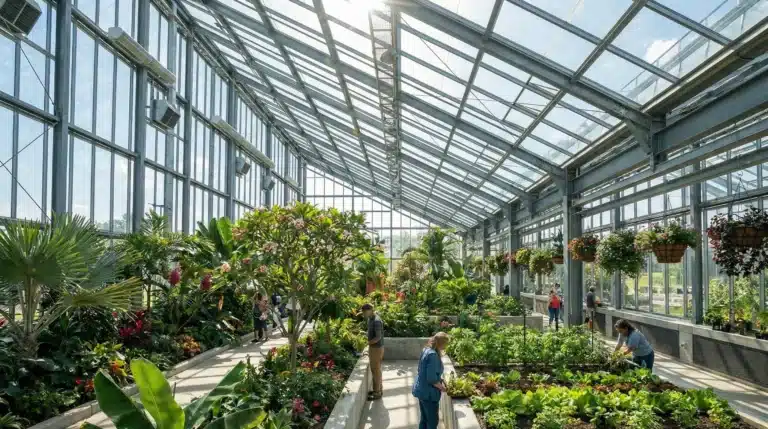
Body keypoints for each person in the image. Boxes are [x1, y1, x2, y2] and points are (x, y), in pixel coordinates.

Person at [412, 332, 450, 429]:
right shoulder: (433, 356)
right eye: (446, 344)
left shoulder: (426, 350)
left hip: (421, 390)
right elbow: (431, 379)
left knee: (424, 419)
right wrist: (443, 388)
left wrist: (440, 379)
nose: (446, 347)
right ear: (441, 344)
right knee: (432, 422)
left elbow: (422, 370)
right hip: (428, 394)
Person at [362, 303, 384, 400]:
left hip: (376, 348)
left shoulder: (376, 321)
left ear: (370, 310)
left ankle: (377, 393)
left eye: (364, 312)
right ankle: (378, 389)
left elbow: (378, 337)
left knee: (375, 370)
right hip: (373, 347)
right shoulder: (370, 319)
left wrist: (367, 343)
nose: (363, 314)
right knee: (376, 369)